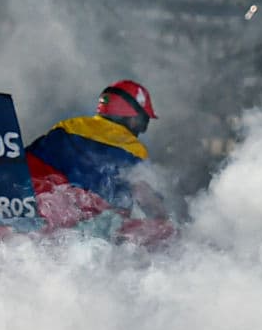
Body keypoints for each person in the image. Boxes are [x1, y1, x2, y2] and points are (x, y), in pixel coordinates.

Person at [24, 79, 174, 245]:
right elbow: (146, 196)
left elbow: (29, 157)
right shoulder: (133, 148)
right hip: (75, 221)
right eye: (143, 122)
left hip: (30, 200)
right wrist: (164, 221)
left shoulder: (68, 126)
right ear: (134, 119)